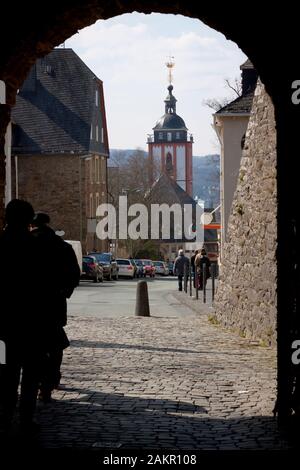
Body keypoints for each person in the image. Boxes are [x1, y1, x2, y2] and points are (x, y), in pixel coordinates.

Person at [0, 199, 44, 435]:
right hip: (31, 324)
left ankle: (4, 415)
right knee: (30, 373)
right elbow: (46, 287)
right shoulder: (35, 248)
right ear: (29, 220)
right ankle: (26, 417)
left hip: (4, 325)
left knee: (4, 369)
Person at [31, 212, 80, 402]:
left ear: (31, 225)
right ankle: (49, 383)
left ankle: (35, 383)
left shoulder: (26, 244)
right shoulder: (62, 246)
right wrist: (63, 292)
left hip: (29, 305)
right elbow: (74, 275)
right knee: (54, 344)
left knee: (32, 346)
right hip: (53, 303)